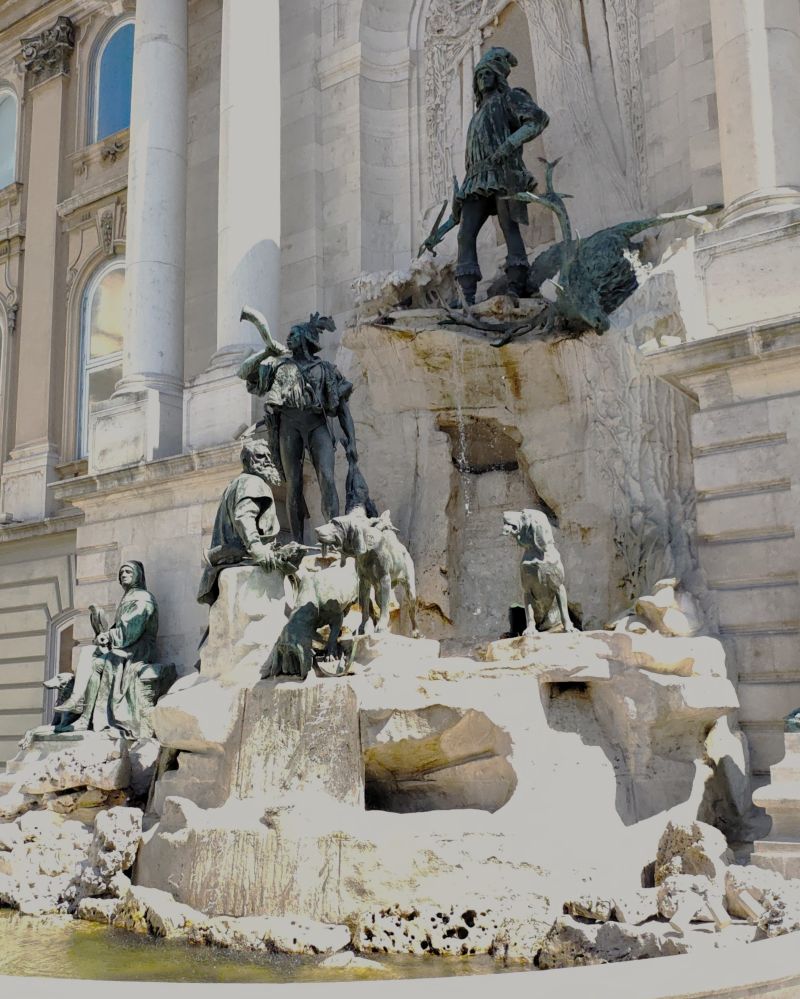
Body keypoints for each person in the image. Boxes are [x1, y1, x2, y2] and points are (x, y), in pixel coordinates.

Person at [421, 47, 550, 304]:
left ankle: (516, 284)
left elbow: (538, 120)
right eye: (479, 75)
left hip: (503, 173)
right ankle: (467, 294)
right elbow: (458, 215)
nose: (483, 78)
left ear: (498, 76)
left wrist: (509, 145)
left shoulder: (510, 99)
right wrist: (439, 232)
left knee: (508, 225)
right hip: (476, 180)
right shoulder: (477, 116)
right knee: (464, 233)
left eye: (488, 73)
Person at [237, 308, 359, 542]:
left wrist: (351, 441)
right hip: (289, 427)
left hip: (317, 425)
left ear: (304, 339)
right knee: (293, 484)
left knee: (327, 476)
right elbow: (243, 372)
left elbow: (342, 407)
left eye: (293, 335)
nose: (288, 338)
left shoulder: (324, 369)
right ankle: (297, 542)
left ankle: (334, 537)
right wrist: (266, 352)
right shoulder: (278, 367)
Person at [58, 561, 165, 740]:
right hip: (127, 646)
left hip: (140, 648)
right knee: (88, 653)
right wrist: (104, 634)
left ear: (138, 575)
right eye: (121, 572)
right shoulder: (129, 597)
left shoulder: (143, 598)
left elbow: (131, 630)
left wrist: (109, 637)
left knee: (101, 663)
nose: (123, 574)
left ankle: (86, 716)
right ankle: (79, 706)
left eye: (128, 571)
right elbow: (122, 629)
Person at [197, 438, 288, 605]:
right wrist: (257, 548)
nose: (267, 461)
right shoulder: (251, 482)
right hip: (243, 560)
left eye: (269, 456)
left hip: (231, 561)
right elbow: (244, 517)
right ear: (246, 461)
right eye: (260, 456)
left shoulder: (238, 483)